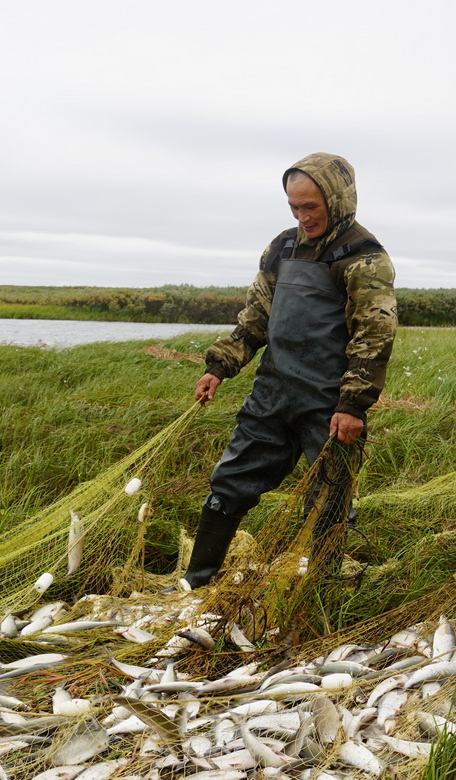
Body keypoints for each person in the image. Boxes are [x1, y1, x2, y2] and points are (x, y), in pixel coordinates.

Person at [183, 152, 398, 589]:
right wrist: (219, 367)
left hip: (328, 404)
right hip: (273, 392)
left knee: (329, 499)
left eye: (311, 207)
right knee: (230, 481)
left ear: (337, 200)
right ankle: (198, 580)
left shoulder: (364, 258)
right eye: (294, 207)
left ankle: (316, 593)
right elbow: (255, 318)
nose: (302, 217)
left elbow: (373, 338)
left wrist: (352, 406)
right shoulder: (282, 247)